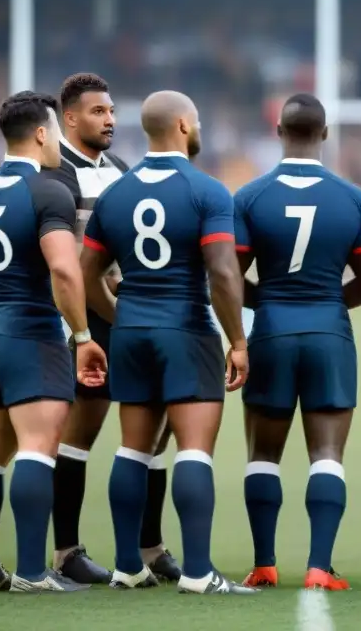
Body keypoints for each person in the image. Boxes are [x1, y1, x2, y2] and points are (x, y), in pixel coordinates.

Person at [79, 90, 257, 595]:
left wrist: (121, 315)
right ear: (182, 125)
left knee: (132, 450)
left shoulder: (116, 193)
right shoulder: (206, 191)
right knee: (195, 451)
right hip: (185, 329)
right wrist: (238, 340)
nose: (198, 129)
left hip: (132, 332)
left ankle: (125, 566)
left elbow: (86, 273)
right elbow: (223, 274)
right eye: (196, 122)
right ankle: (199, 574)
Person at [0, 91, 107, 593]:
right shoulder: (47, 192)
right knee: (38, 451)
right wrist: (82, 335)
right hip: (32, 334)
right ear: (42, 133)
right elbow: (65, 270)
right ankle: (30, 572)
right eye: (56, 134)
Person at [234, 94, 361, 591]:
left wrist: (262, 299)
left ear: (278, 131)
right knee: (328, 454)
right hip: (329, 333)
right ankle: (319, 567)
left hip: (270, 331)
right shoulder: (354, 199)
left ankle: (264, 565)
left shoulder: (250, 197)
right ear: (325, 134)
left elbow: (227, 276)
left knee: (262, 455)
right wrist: (329, 301)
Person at [44, 73, 179, 584]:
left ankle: (151, 547)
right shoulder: (57, 174)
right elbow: (68, 261)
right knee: (81, 432)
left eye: (112, 112)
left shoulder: (120, 170)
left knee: (156, 432)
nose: (110, 121)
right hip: (90, 319)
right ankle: (66, 552)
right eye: (98, 112)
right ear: (70, 117)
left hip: (131, 312)